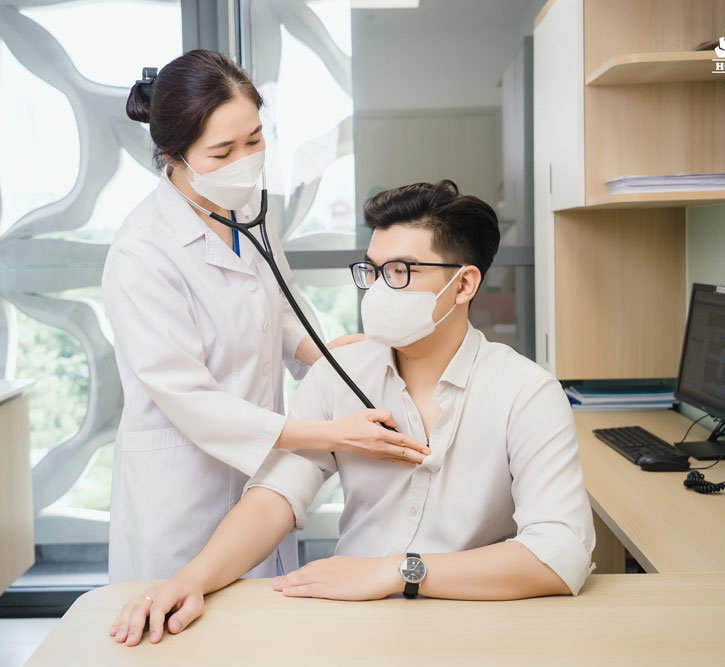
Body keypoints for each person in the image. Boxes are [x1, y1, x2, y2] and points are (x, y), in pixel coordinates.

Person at [109, 180, 596, 646]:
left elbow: (559, 553)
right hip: (351, 623)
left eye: (401, 272)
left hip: (475, 619)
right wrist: (191, 579)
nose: (379, 290)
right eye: (373, 271)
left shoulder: (527, 392)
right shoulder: (338, 375)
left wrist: (395, 571)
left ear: (464, 284)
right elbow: (275, 496)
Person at [102, 50, 429, 583]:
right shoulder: (141, 252)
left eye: (254, 141)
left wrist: (324, 355)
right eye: (222, 151)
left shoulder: (247, 209)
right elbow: (186, 398)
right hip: (182, 489)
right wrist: (327, 433)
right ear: (173, 157)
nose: (244, 162)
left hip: (258, 472)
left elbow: (278, 305)